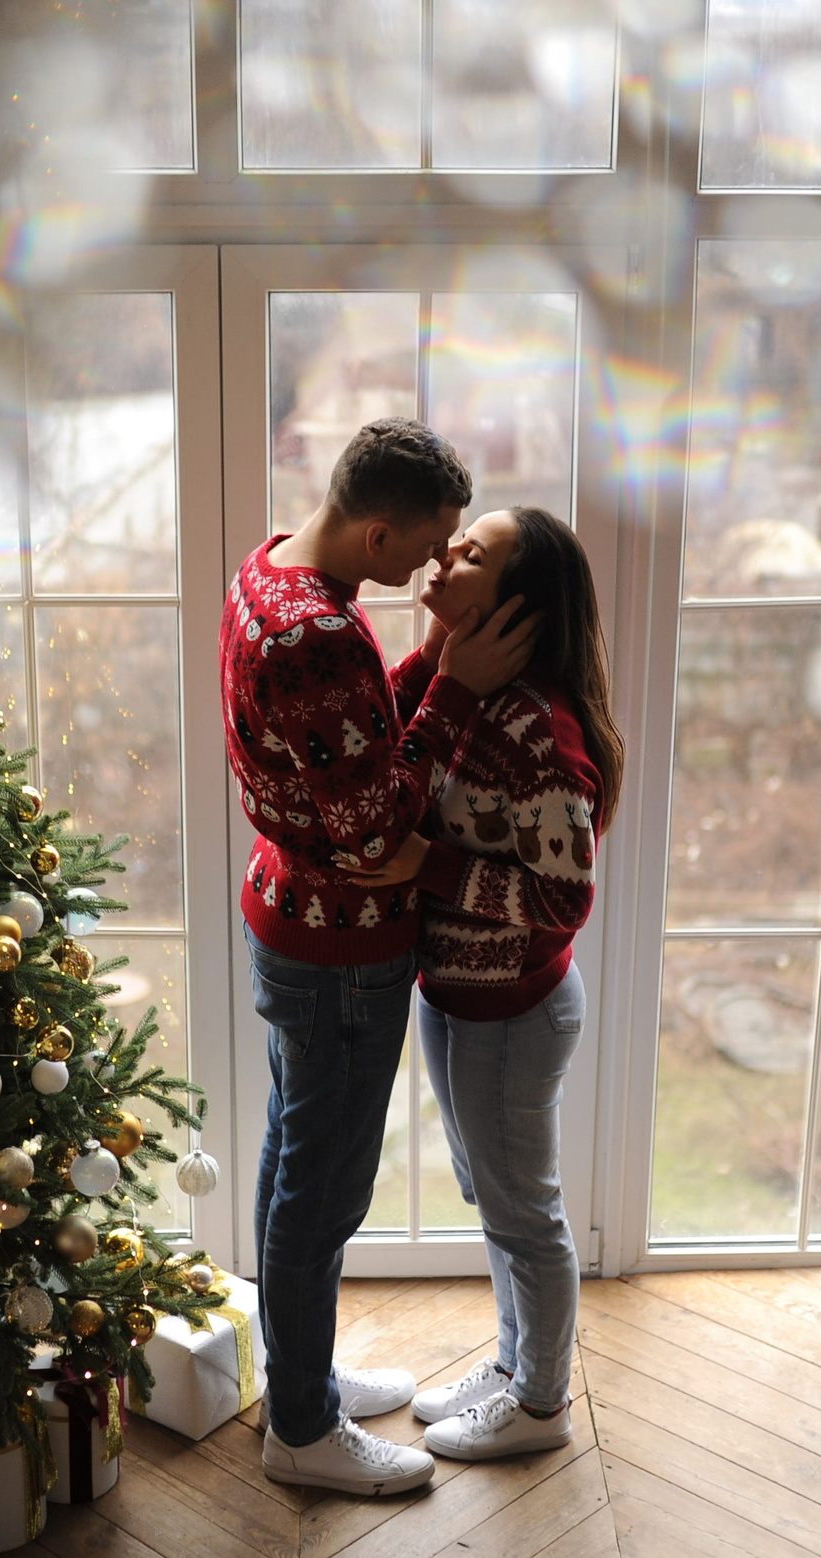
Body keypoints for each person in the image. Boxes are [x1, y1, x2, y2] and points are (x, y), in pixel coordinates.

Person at [221, 418, 540, 1496]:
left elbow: (342, 743)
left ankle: (295, 1377)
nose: (429, 567)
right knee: (321, 1191)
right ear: (372, 529)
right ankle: (303, 1434)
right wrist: (451, 693)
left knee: (288, 1162)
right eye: (422, 545)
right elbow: (374, 832)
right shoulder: (318, 639)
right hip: (339, 950)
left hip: (288, 918)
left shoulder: (269, 572)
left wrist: (426, 666)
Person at [347, 506, 620, 1460]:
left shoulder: (538, 733)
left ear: (515, 613)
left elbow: (563, 899)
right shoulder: (470, 689)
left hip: (515, 1011)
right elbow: (385, 739)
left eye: (470, 556)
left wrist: (425, 865)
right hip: (457, 997)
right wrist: (441, 660)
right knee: (491, 1194)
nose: (442, 554)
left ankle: (543, 1406)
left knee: (523, 1210)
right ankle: (513, 1362)